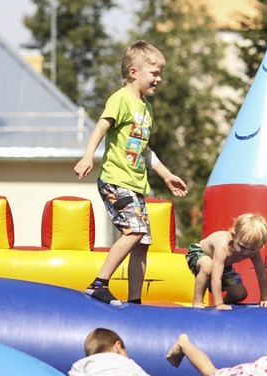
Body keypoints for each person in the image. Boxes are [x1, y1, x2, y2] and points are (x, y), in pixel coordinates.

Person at [74, 40, 188, 305]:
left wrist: (166, 174)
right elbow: (101, 127)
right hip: (115, 180)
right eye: (154, 72)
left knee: (142, 243)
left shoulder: (146, 108)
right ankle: (98, 284)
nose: (159, 78)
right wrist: (88, 155)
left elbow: (144, 149)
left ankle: (135, 300)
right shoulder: (121, 99)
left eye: (161, 73)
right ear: (134, 72)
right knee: (134, 232)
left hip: (135, 184)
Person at [186, 213, 267, 309]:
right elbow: (216, 277)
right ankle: (197, 302)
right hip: (199, 254)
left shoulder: (253, 251)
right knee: (208, 266)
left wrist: (264, 298)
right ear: (234, 236)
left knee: (240, 294)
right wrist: (219, 304)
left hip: (223, 265)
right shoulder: (223, 246)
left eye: (252, 249)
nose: (246, 252)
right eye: (242, 246)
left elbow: (262, 274)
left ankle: (215, 305)